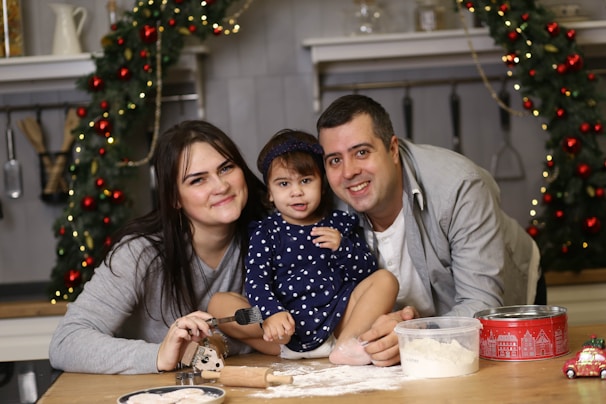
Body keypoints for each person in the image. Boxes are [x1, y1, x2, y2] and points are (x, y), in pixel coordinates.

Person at [316, 94, 545, 367]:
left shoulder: (459, 186)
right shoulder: (329, 206)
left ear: (392, 149)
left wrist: (412, 336)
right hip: (408, 329)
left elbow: (482, 305)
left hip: (499, 301)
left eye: (362, 152)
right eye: (334, 160)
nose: (349, 172)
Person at [49, 120, 279, 374]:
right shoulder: (139, 253)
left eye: (226, 168)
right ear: (174, 198)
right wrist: (159, 354)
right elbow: (66, 343)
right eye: (197, 180)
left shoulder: (275, 237)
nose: (220, 186)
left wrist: (227, 338)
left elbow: (292, 316)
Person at [245, 129, 398, 365]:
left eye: (306, 181)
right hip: (281, 336)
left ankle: (347, 346)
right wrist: (271, 314)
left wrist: (342, 248)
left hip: (336, 325)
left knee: (386, 280)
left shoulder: (338, 223)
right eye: (284, 183)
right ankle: (286, 341)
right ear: (270, 194)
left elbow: (367, 272)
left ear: (322, 184)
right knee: (220, 303)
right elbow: (256, 282)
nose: (296, 191)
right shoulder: (266, 232)